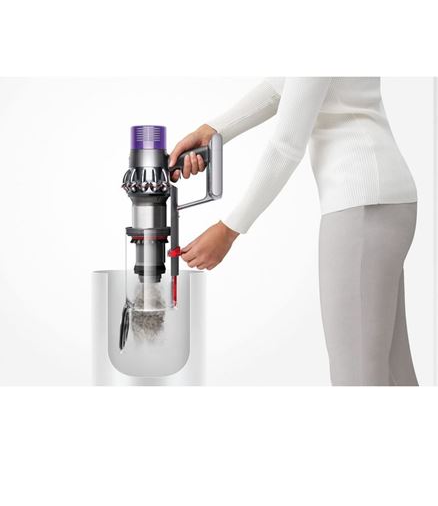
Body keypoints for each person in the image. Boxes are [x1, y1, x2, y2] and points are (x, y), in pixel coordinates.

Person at [169, 78, 418, 386]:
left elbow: (286, 145)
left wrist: (229, 229)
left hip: (361, 204)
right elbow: (282, 86)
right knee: (394, 375)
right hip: (384, 202)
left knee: (357, 378)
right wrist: (214, 130)